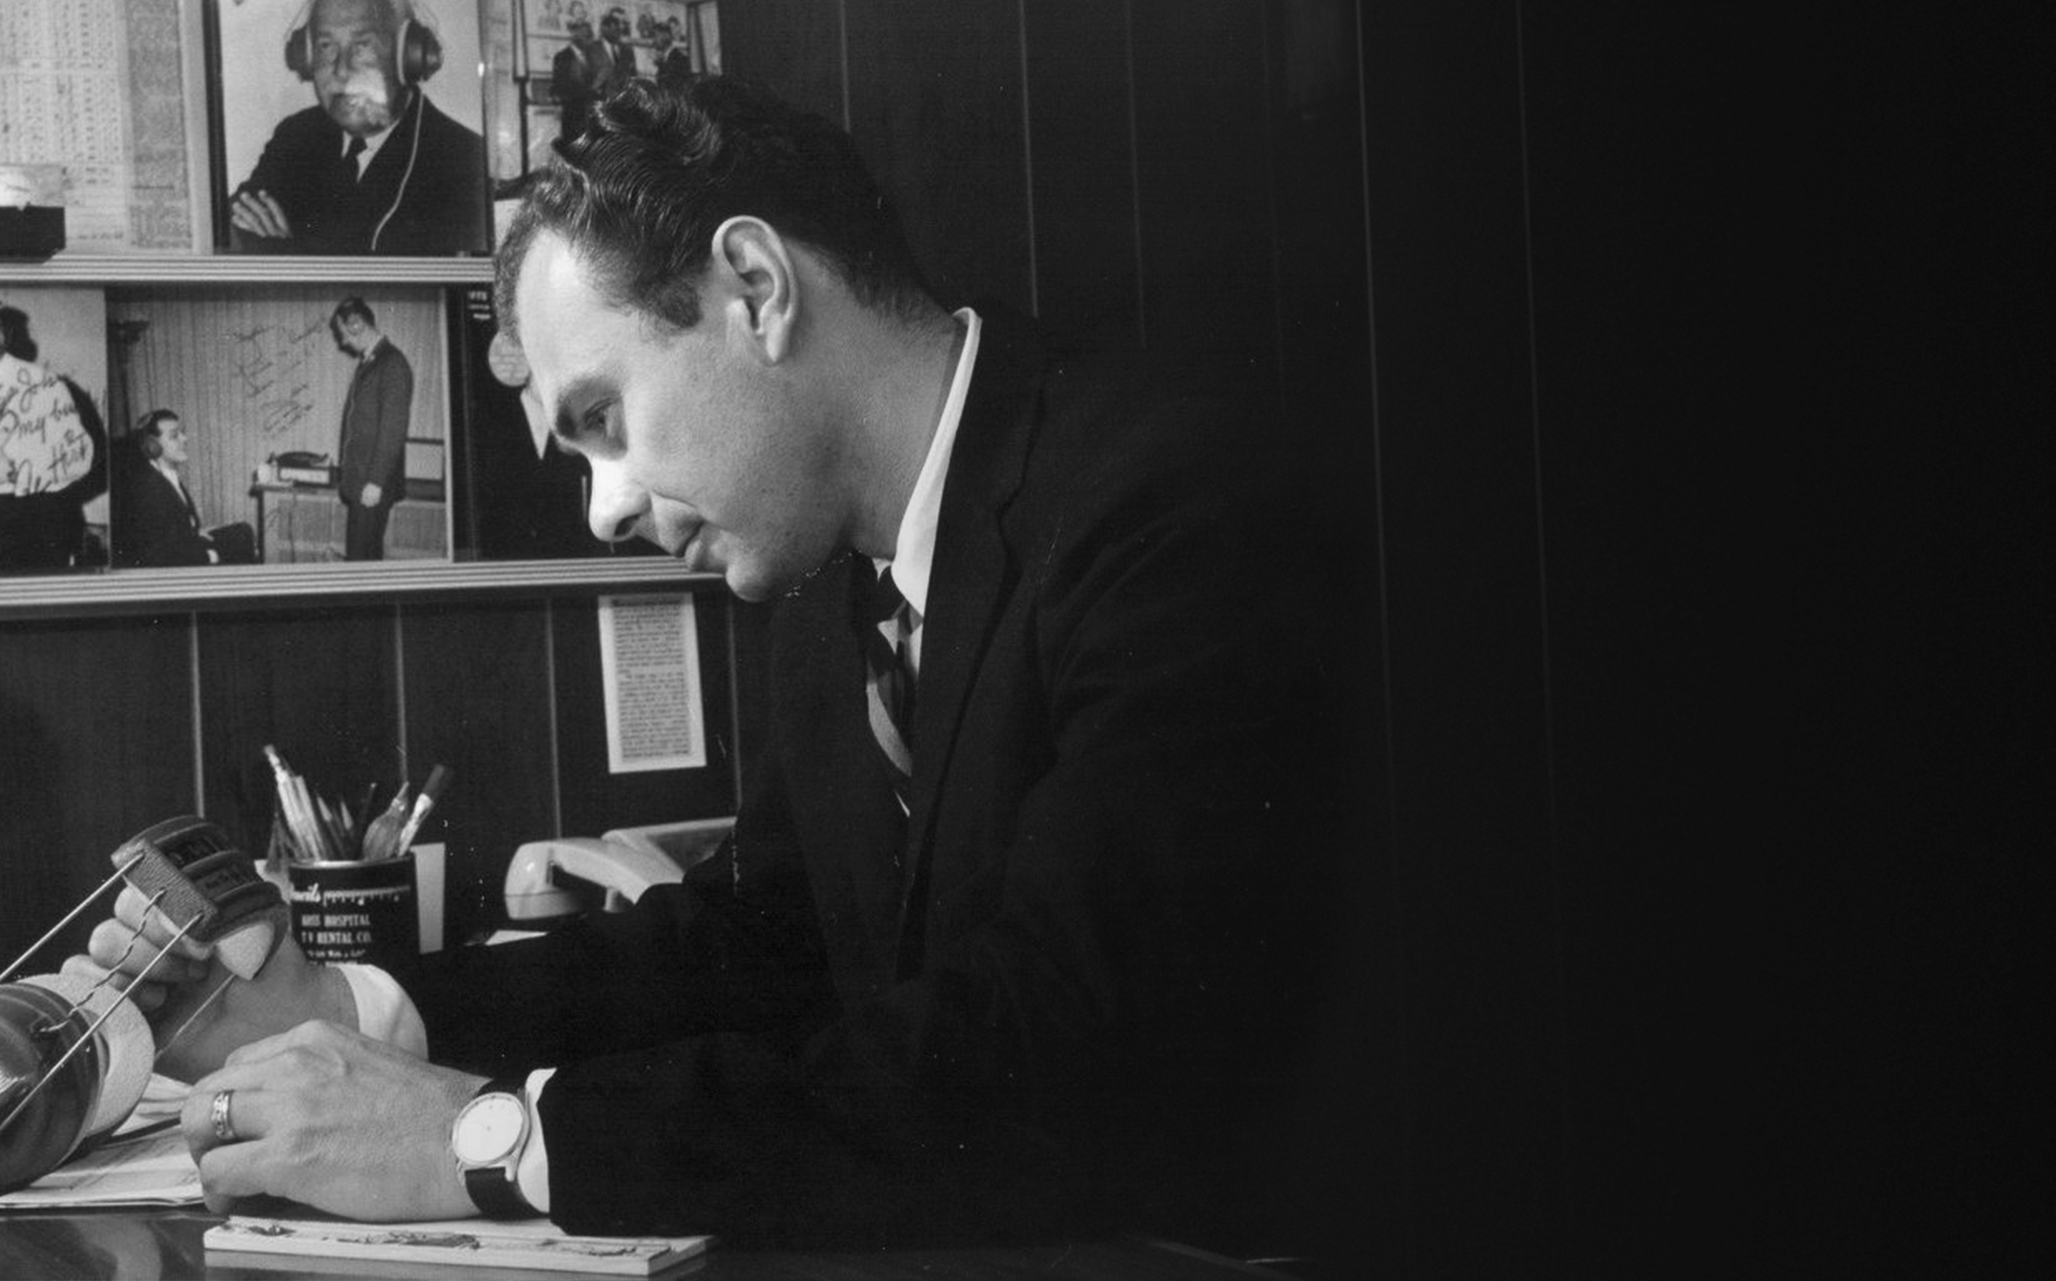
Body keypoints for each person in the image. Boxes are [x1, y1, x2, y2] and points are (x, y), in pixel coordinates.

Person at [74, 77, 1339, 1249]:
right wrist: (359, 1015)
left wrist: (489, 1139)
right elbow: (758, 946)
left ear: (756, 288)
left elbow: (1063, 1050)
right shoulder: (830, 574)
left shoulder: (1168, 501)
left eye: (603, 419)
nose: (604, 510)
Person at [231, 0, 489, 255]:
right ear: (305, 57)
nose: (342, 71)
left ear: (408, 56)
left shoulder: (463, 161)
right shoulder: (296, 135)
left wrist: (292, 255)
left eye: (362, 46)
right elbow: (235, 225)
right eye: (326, 46)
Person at [0, 304, 108, 570]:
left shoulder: (43, 383)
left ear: (3, 335)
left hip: (30, 521)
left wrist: (20, 473)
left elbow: (79, 458)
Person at [326, 297, 414, 560]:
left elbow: (393, 429)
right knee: (367, 557)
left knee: (360, 558)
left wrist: (375, 481)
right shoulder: (372, 361)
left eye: (343, 333)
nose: (343, 341)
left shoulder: (392, 363)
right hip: (363, 481)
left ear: (356, 325)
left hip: (371, 484)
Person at [108, 411, 223, 567]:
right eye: (174, 436)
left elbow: (172, 526)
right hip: (173, 563)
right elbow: (157, 553)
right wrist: (210, 556)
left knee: (242, 532)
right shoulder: (147, 487)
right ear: (152, 445)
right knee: (240, 542)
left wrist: (195, 531)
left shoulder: (165, 475)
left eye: (182, 433)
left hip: (185, 545)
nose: (184, 439)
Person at [546, 19, 616, 145]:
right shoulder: (562, 57)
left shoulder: (595, 57)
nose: (589, 39)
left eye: (590, 36)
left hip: (593, 122)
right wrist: (590, 91)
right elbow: (561, 88)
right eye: (585, 35)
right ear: (574, 35)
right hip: (573, 120)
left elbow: (604, 82)